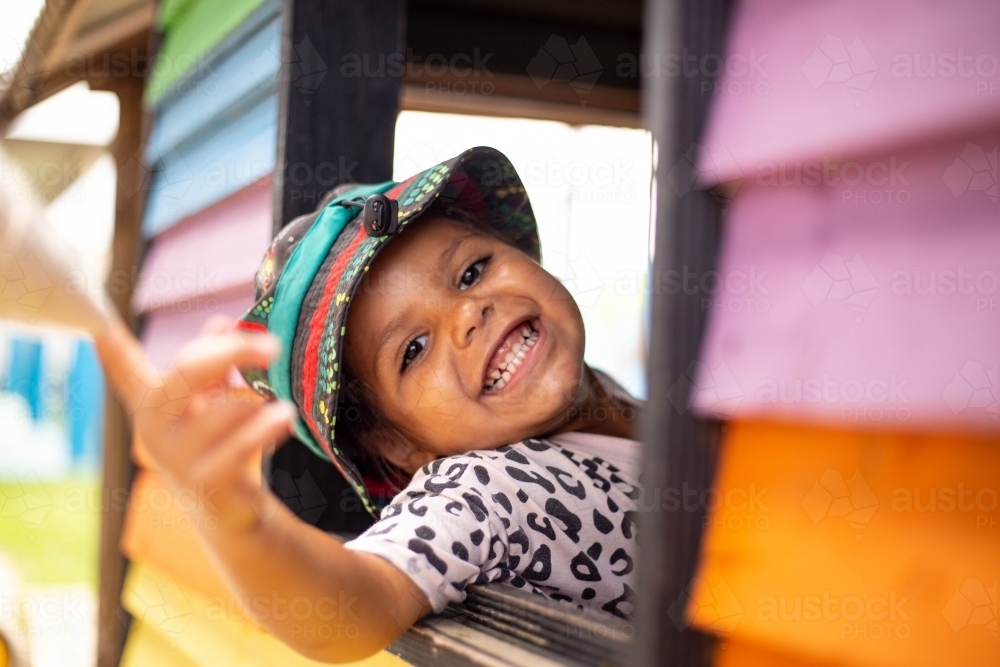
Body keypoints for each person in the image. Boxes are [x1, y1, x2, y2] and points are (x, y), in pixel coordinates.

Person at [96, 147, 642, 663]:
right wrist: (235, 519)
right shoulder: (486, 491)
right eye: (413, 350)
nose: (468, 315)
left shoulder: (622, 394)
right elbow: (352, 603)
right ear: (398, 444)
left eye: (471, 271)